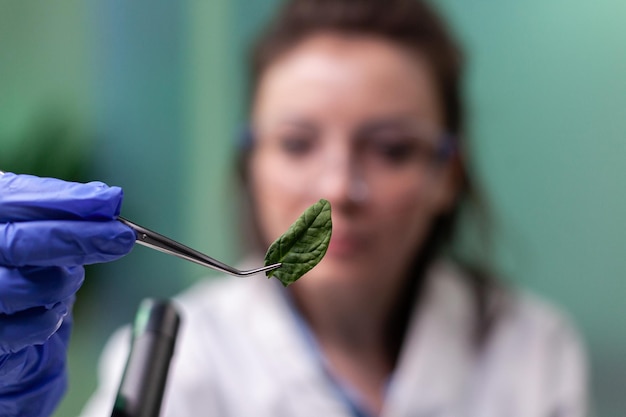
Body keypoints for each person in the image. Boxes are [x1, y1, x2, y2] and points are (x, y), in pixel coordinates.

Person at [0, 0, 588, 416]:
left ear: (446, 176)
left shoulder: (532, 349)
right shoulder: (182, 357)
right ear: (251, 164)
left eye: (392, 149)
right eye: (297, 143)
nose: (338, 188)